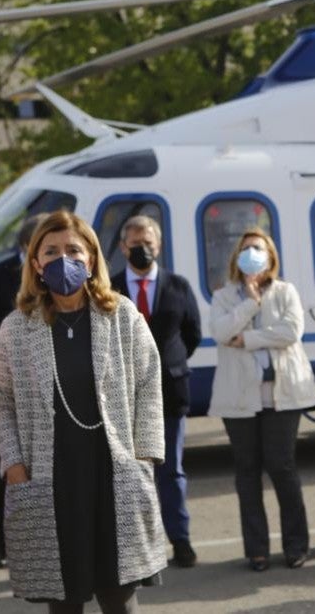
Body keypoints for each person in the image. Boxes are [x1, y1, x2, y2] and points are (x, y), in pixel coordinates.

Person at [0, 210, 167, 612]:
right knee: (63, 598)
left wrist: (144, 456)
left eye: (73, 250)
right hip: (49, 477)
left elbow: (149, 384)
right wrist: (14, 465)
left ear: (91, 259)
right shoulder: (16, 328)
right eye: (50, 251)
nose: (62, 259)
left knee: (119, 596)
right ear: (35, 263)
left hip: (112, 472)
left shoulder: (121, 315)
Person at [209, 228, 315, 571]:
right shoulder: (224, 296)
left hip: (283, 397)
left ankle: (296, 545)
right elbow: (220, 332)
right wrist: (250, 303)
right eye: (246, 249)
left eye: (258, 249)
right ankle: (256, 550)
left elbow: (291, 332)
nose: (252, 254)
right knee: (247, 473)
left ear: (270, 256)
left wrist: (247, 339)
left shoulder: (286, 291)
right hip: (239, 399)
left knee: (282, 467)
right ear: (236, 258)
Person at [110, 215, 202, 569]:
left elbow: (191, 334)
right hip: (123, 395)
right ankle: (136, 546)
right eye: (134, 243)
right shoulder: (112, 289)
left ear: (158, 245)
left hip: (170, 392)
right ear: (122, 247)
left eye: (147, 242)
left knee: (172, 470)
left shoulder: (178, 285)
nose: (142, 249)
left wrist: (171, 364)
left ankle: (180, 540)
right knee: (130, 472)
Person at [0, 213, 44, 570]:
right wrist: (20, 322)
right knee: (9, 467)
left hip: (52, 385)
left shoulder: (63, 271)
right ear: (25, 247)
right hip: (12, 381)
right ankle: (1, 545)